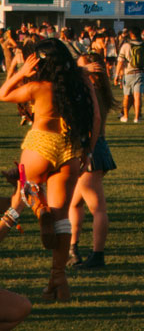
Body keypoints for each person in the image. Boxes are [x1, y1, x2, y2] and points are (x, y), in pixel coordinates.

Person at [0, 38, 98, 302]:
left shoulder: (38, 87)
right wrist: (88, 151)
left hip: (39, 145)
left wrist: (21, 72)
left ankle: (39, 208)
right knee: (62, 217)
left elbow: (3, 93)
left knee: (18, 201)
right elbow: (96, 118)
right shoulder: (80, 85)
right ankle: (58, 279)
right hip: (70, 149)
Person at [68, 53, 117, 269]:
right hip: (98, 148)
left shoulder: (90, 92)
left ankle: (97, 254)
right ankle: (73, 248)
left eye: (83, 68)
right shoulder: (99, 89)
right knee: (75, 202)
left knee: (98, 208)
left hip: (91, 148)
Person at [114, 28, 144, 123]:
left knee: (126, 96)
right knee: (138, 96)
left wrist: (116, 75)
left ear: (131, 34)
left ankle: (125, 116)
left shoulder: (126, 45)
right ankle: (137, 117)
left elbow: (120, 61)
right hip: (141, 73)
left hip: (129, 73)